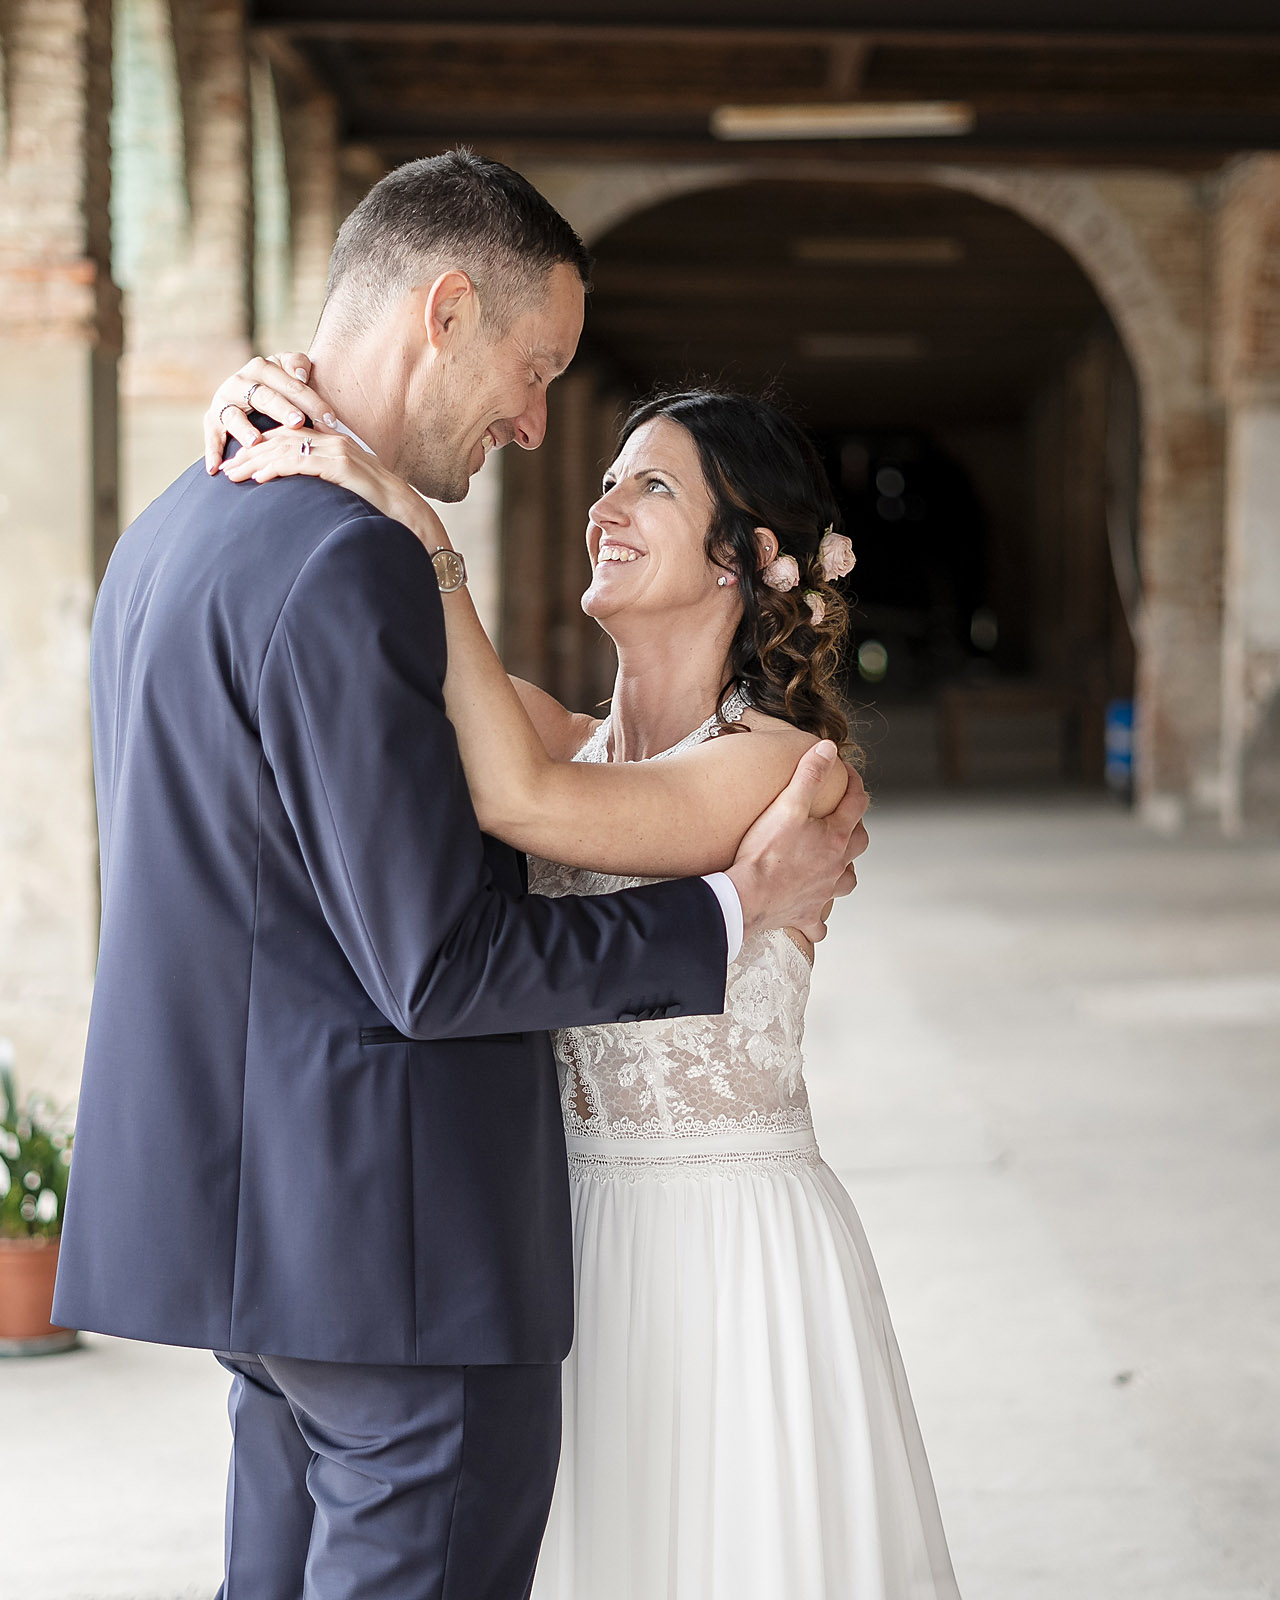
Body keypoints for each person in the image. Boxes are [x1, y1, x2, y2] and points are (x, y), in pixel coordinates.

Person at [52, 150, 868, 1600]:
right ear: (444, 311)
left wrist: (409, 526)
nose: (541, 430)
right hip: (399, 1245)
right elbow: (439, 959)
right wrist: (742, 908)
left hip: (275, 1238)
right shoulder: (351, 560)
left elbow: (488, 804)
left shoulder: (179, 523)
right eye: (536, 368)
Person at [211, 357, 962, 1597]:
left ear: (738, 555)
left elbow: (525, 801)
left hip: (727, 1251)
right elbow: (365, 676)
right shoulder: (558, 732)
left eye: (649, 487)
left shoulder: (782, 769)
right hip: (557, 1238)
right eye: (608, 480)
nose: (603, 506)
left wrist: (421, 532)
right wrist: (275, 430)